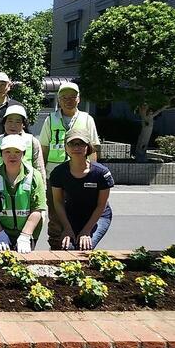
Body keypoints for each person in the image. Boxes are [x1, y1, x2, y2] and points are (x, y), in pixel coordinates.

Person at [39, 81, 101, 250]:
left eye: (72, 97)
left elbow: (93, 147)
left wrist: (93, 174)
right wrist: (42, 176)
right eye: (64, 97)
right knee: (55, 216)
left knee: (79, 211)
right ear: (58, 100)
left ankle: (78, 246)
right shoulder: (50, 119)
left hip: (80, 175)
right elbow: (43, 148)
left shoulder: (87, 119)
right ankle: (56, 248)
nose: (68, 100)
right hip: (55, 175)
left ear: (79, 99)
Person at [50, 128, 113, 251]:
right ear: (65, 147)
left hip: (98, 216)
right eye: (72, 143)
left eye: (81, 143)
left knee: (83, 248)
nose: (76, 147)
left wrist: (86, 231)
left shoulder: (101, 173)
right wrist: (67, 228)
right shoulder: (58, 173)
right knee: (67, 247)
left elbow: (102, 205)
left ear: (88, 146)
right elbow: (58, 202)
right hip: (72, 217)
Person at [0, 134, 46, 253]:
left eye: (17, 152)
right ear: (1, 153)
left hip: (29, 232)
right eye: (7, 151)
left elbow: (38, 208)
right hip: (2, 231)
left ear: (23, 153)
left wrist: (25, 235)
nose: (12, 156)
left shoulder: (34, 176)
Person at [0, 105, 46, 184]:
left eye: (18, 122)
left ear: (23, 125)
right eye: (10, 121)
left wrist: (42, 189)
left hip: (27, 186)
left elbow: (39, 168)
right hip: (1, 186)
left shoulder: (33, 141)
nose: (13, 125)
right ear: (4, 123)